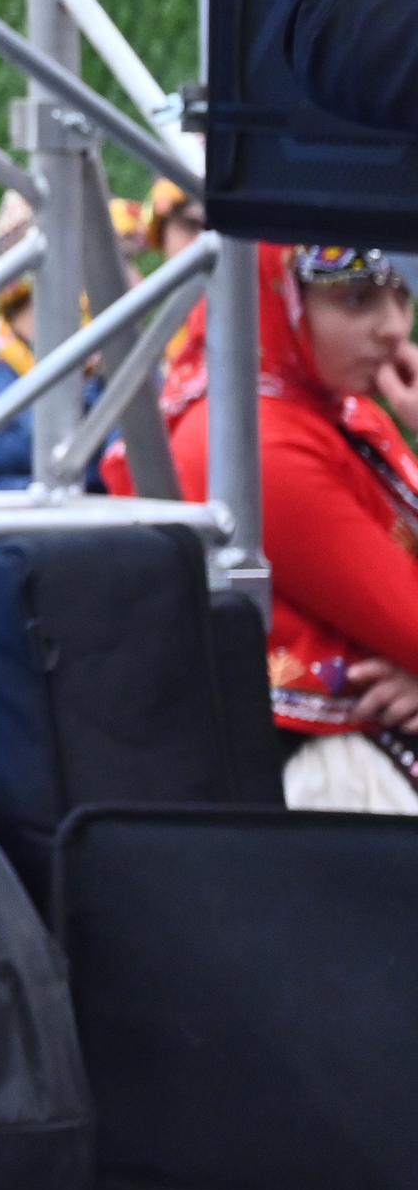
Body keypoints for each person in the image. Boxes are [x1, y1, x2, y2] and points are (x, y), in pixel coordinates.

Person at [120, 248, 418, 811]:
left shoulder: (336, 410)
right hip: (332, 779)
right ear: (280, 298)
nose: (395, 327)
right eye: (358, 300)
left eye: (402, 294)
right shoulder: (253, 440)